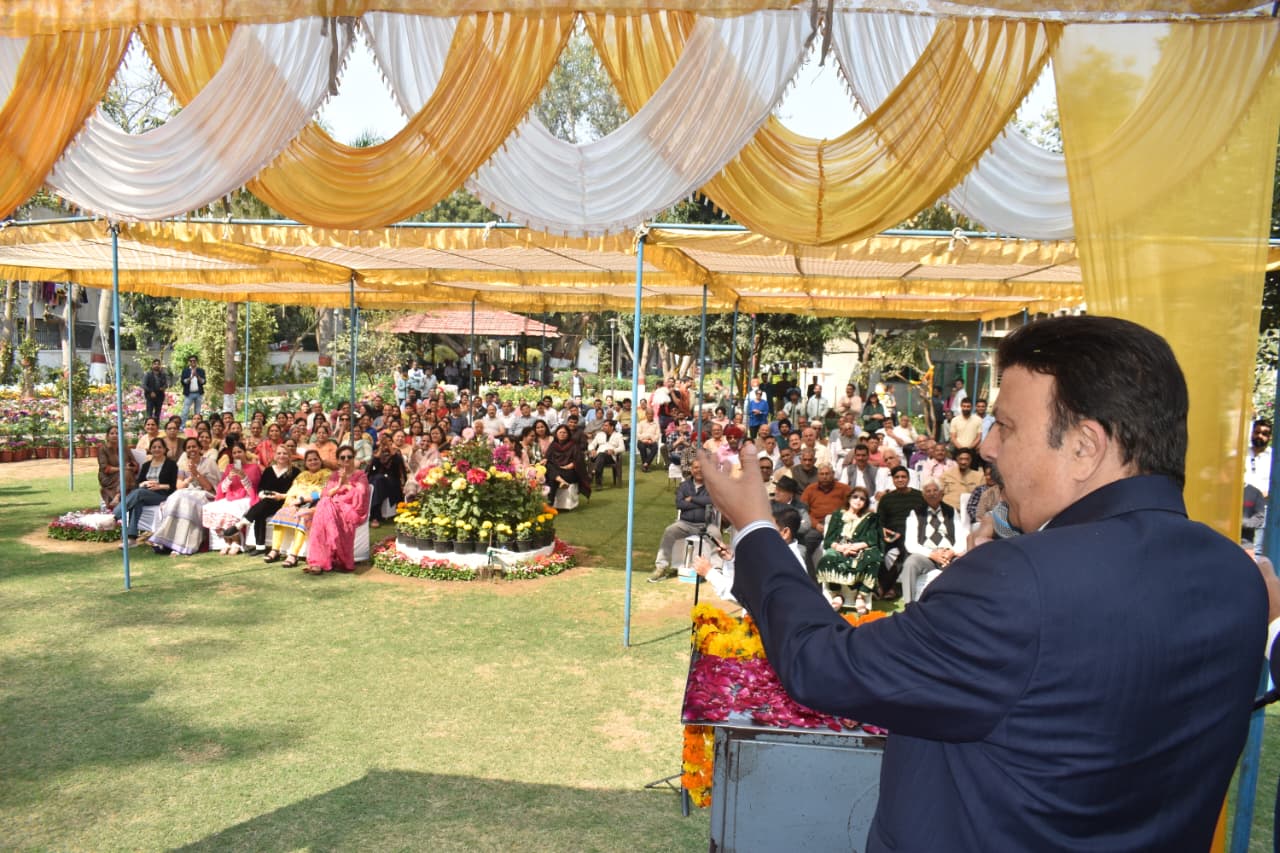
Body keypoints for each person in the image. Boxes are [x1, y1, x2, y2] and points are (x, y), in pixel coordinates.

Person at [696, 315, 1266, 852]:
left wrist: (754, 527)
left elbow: (822, 664)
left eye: (1007, 427)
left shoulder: (1018, 582)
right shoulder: (1238, 577)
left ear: (1085, 447)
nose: (987, 447)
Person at [816, 486, 882, 613]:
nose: (858, 500)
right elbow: (829, 540)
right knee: (828, 558)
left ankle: (860, 597)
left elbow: (872, 540)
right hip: (840, 547)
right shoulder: (838, 515)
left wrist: (855, 547)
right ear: (849, 498)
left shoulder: (870, 517)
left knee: (873, 560)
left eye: (862, 499)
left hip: (861, 548)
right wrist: (841, 548)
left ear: (866, 502)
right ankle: (837, 595)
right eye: (855, 497)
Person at [149, 437, 220, 556]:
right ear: (185, 450)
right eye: (188, 447)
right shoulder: (183, 465)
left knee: (187, 501)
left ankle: (183, 544)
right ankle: (166, 540)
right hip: (186, 492)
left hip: (204, 494)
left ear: (200, 448)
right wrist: (190, 478)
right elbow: (179, 486)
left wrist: (196, 473)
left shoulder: (209, 463)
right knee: (174, 497)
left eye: (194, 446)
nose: (191, 449)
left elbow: (209, 487)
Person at [900, 479, 968, 603]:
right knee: (910, 563)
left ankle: (959, 604)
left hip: (948, 555)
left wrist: (951, 552)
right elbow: (910, 544)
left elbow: (961, 538)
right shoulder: (915, 513)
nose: (932, 494)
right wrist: (932, 555)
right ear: (923, 495)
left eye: (935, 490)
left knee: (963, 563)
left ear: (941, 493)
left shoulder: (951, 511)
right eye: (928, 491)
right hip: (926, 556)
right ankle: (909, 605)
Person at [305, 446, 370, 574]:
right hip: (332, 506)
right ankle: (319, 560)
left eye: (349, 457)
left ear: (354, 458)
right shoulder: (334, 475)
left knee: (324, 507)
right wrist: (339, 485)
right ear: (338, 460)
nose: (346, 459)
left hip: (351, 509)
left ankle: (318, 561)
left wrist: (346, 483)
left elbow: (361, 496)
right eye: (342, 457)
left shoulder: (360, 475)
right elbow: (325, 494)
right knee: (325, 504)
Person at [649, 457, 713, 582]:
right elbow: (680, 504)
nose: (699, 470)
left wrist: (692, 499)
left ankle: (717, 571)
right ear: (691, 470)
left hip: (705, 525)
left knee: (716, 536)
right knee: (669, 531)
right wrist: (701, 503)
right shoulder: (684, 486)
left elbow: (712, 500)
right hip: (685, 524)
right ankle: (661, 567)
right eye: (696, 468)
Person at [265, 449, 329, 568]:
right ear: (306, 463)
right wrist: (289, 500)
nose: (313, 462)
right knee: (281, 513)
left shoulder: (327, 474)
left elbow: (323, 492)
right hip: (298, 502)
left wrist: (302, 500)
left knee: (303, 517)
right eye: (309, 460)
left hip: (316, 505)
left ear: (320, 461)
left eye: (315, 459)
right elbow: (292, 491)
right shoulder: (302, 476)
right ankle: (275, 550)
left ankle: (294, 555)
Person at [114, 437, 176, 544]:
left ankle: (114, 516)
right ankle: (131, 538)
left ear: (164, 449)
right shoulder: (146, 465)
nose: (157, 449)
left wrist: (159, 486)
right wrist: (143, 483)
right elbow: (138, 483)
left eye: (159, 447)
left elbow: (173, 486)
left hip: (162, 495)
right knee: (137, 502)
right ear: (150, 450)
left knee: (139, 493)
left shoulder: (171, 464)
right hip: (145, 493)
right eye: (154, 447)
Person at [202, 443, 261, 555]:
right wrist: (229, 477)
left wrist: (243, 477)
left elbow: (252, 489)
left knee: (233, 508)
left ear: (245, 452)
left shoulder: (253, 467)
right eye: (234, 453)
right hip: (231, 496)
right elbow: (223, 488)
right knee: (211, 507)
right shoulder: (229, 467)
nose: (237, 455)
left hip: (247, 497)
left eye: (239, 452)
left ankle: (236, 541)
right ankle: (227, 540)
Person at [241, 444, 297, 555]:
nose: (281, 456)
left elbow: (295, 490)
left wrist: (281, 496)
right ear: (275, 456)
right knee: (260, 512)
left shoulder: (295, 471)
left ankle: (243, 522)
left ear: (289, 456)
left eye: (285, 453)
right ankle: (260, 547)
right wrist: (262, 494)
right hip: (268, 501)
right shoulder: (268, 470)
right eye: (279, 453)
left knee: (262, 507)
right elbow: (261, 487)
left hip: (283, 501)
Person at [97, 424, 138, 510]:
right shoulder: (103, 449)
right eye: (112, 433)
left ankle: (117, 496)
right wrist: (123, 468)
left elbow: (135, 464)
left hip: (125, 475)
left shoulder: (124, 448)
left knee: (127, 474)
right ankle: (119, 497)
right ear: (107, 436)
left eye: (117, 433)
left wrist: (131, 466)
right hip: (108, 477)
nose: (115, 435)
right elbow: (105, 469)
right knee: (127, 474)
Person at [588, 419, 625, 486]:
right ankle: (595, 474)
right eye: (603, 425)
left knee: (602, 455)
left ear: (612, 427)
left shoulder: (618, 435)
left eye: (606, 426)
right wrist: (592, 449)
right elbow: (591, 444)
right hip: (597, 456)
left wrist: (614, 450)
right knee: (601, 455)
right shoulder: (599, 434)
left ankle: (595, 475)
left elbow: (622, 448)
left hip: (610, 457)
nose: (603, 427)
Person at [178, 355, 206, 426]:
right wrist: (191, 377)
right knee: (185, 411)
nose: (192, 362)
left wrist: (197, 376)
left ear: (197, 361)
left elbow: (203, 382)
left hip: (199, 393)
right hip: (189, 394)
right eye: (191, 361)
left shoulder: (201, 371)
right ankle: (182, 427)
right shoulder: (185, 371)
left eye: (194, 361)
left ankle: (198, 427)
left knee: (197, 412)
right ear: (189, 362)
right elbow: (183, 382)